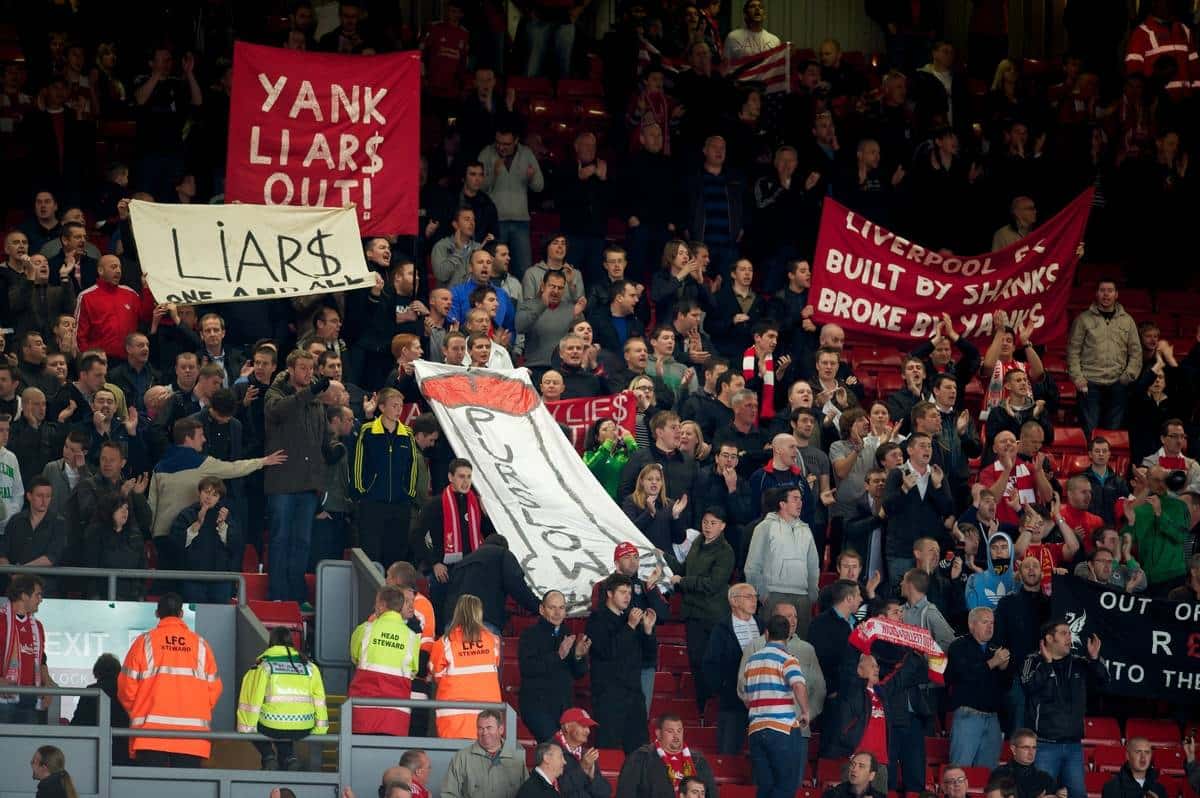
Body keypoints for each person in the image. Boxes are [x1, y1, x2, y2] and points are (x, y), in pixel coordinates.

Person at [264, 350, 342, 603]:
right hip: (283, 482)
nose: (308, 373)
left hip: (309, 484)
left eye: (311, 368)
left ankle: (296, 595)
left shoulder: (316, 403)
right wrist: (309, 392)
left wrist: (331, 450)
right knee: (280, 539)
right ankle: (277, 594)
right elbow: (277, 412)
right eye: (303, 368)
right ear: (290, 370)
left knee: (302, 542)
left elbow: (320, 438)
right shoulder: (276, 394)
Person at [118, 593, 222, 766]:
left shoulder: (144, 642)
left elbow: (125, 688)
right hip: (192, 739)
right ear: (181, 614)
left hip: (150, 737)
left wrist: (139, 710)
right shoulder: (201, 645)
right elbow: (214, 690)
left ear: (157, 613)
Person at [1021, 619, 1107, 798]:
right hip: (1045, 745)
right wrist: (1046, 663)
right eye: (1064, 633)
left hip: (1073, 746)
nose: (1069, 637)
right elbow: (1028, 686)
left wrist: (1094, 659)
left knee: (1078, 794)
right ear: (1049, 638)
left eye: (1070, 633)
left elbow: (1103, 682)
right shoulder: (1032, 660)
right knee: (1042, 794)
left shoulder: (1079, 663)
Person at [665, 506, 735, 714]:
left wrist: (684, 581)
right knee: (695, 660)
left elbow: (713, 584)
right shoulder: (697, 542)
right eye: (705, 522)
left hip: (712, 614)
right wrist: (664, 557)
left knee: (709, 661)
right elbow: (683, 569)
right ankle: (701, 704)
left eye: (713, 523)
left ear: (722, 526)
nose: (708, 527)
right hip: (692, 613)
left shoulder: (726, 552)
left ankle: (711, 704)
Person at [412, 458, 497, 614]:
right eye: (461, 476)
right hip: (444, 572)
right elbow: (416, 536)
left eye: (469, 477)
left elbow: (491, 537)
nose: (466, 481)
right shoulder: (435, 504)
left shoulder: (476, 504)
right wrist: (434, 563)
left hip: (471, 569)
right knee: (443, 615)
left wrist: (486, 516)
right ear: (451, 477)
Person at [237, 625, 328, 770]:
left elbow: (253, 700)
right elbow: (320, 700)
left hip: (272, 726)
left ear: (271, 642)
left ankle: (268, 756)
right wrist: (319, 730)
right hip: (303, 727)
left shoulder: (264, 666)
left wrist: (248, 728)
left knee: (269, 724)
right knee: (285, 726)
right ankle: (289, 757)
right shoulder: (310, 667)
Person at [741, 614, 811, 798]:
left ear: (766, 633)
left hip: (756, 730)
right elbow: (798, 684)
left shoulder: (752, 661)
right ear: (788, 636)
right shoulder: (788, 659)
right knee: (786, 787)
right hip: (782, 730)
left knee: (765, 787)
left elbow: (748, 697)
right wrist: (805, 711)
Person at [586, 573, 656, 753]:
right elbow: (608, 651)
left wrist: (647, 630)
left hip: (634, 696)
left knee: (640, 753)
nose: (627, 596)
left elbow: (649, 657)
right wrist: (630, 627)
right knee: (608, 752)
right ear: (609, 593)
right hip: (609, 698)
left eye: (630, 593)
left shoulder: (630, 620)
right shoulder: (596, 619)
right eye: (623, 592)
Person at [352, 387, 419, 568]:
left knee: (395, 557)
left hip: (400, 505)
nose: (398, 410)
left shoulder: (408, 434)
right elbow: (358, 463)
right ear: (381, 407)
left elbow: (413, 466)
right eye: (394, 405)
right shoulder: (367, 431)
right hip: (372, 504)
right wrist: (362, 491)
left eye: (400, 406)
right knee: (371, 556)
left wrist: (409, 492)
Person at [1066, 281, 1141, 436]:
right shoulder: (1083, 319)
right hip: (1089, 383)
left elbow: (1136, 352)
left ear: (1116, 294)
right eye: (1102, 290)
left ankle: (1110, 461)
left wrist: (1128, 376)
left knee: (1113, 433)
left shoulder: (1127, 320)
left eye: (1110, 290)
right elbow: (1073, 351)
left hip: (1117, 383)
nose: (1106, 294)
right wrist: (1078, 378)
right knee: (1090, 432)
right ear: (1096, 293)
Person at [744, 486, 821, 636]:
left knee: (800, 646)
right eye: (795, 499)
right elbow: (752, 565)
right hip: (774, 595)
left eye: (801, 499)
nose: (800, 503)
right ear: (782, 504)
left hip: (802, 598)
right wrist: (762, 594)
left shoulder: (806, 529)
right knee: (772, 641)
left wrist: (812, 594)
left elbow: (813, 566)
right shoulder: (764, 527)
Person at [882, 433, 954, 590]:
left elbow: (947, 509)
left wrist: (937, 487)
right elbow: (888, 508)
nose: (927, 449)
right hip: (901, 549)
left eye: (929, 446)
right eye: (922, 445)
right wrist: (904, 489)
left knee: (931, 594)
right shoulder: (897, 473)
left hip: (930, 551)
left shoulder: (937, 474)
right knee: (900, 594)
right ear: (910, 450)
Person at [348, 585, 421, 736]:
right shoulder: (412, 637)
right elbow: (413, 671)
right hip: (396, 714)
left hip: (364, 710)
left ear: (382, 605)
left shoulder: (364, 629)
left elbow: (354, 658)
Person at [519, 591, 591, 742]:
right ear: (541, 609)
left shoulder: (568, 634)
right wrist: (558, 656)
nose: (557, 613)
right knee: (555, 747)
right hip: (537, 707)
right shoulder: (529, 635)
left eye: (561, 608)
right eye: (552, 608)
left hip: (563, 710)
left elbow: (579, 674)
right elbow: (528, 668)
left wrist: (578, 656)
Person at [945, 607, 1012, 768]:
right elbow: (964, 675)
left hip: (993, 719)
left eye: (992, 623)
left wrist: (1004, 669)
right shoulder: (958, 646)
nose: (990, 627)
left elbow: (1006, 686)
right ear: (971, 625)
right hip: (968, 716)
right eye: (985, 622)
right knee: (960, 770)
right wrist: (993, 663)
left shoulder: (996, 649)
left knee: (988, 775)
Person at [430, 594, 502, 739]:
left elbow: (435, 673)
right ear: (479, 612)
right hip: (488, 718)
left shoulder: (444, 642)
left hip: (453, 717)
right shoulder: (493, 641)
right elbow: (494, 665)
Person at [702, 583, 762, 753]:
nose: (754, 600)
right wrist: (724, 689)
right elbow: (710, 664)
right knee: (729, 750)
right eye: (748, 596)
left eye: (755, 596)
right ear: (734, 601)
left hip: (761, 700)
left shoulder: (763, 625)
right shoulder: (721, 629)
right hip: (732, 701)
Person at [443, 534, 541, 635]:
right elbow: (517, 587)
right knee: (484, 651)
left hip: (453, 622)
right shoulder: (502, 554)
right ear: (505, 547)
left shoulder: (461, 562)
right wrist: (539, 607)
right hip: (484, 620)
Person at [168, 476, 240, 603]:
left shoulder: (225, 516)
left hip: (220, 581)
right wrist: (198, 524)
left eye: (214, 495)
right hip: (192, 580)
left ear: (219, 498)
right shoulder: (186, 514)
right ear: (199, 492)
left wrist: (223, 526)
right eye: (206, 492)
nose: (209, 497)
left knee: (219, 620)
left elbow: (235, 547)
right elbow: (175, 544)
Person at [615, 714, 718, 798]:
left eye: (679, 731)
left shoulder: (698, 760)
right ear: (658, 733)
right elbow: (625, 794)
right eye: (670, 731)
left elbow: (711, 794)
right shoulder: (640, 758)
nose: (676, 736)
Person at [441, 709, 528, 798]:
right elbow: (448, 794)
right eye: (480, 728)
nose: (484, 732)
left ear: (501, 729)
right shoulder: (462, 758)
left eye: (489, 727)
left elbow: (527, 794)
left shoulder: (517, 760)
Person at [0, 575, 51, 724]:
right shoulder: (2, 621)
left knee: (28, 746)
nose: (41, 599)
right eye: (38, 595)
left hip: (30, 697)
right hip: (4, 698)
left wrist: (47, 686)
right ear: (23, 596)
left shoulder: (37, 626)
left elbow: (42, 659)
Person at [70, 653, 133, 765]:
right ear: (119, 671)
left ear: (97, 672)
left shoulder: (91, 691)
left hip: (93, 752)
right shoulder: (127, 690)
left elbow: (77, 723)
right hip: (123, 751)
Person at [2, 476, 66, 570]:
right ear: (29, 496)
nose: (44, 500)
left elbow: (52, 557)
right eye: (39, 496)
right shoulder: (15, 521)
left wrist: (20, 571)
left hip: (44, 581)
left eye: (48, 496)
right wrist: (13, 574)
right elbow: (2, 554)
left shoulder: (59, 523)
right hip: (15, 582)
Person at [622, 463, 689, 553]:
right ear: (641, 481)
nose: (654, 482)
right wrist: (649, 513)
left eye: (658, 479)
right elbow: (630, 532)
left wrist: (676, 517)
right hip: (641, 556)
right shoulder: (631, 501)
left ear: (662, 483)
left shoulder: (670, 505)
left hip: (665, 559)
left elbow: (679, 540)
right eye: (650, 479)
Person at [551, 708, 610, 798]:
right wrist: (582, 768)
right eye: (583, 726)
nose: (588, 731)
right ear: (567, 727)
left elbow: (605, 793)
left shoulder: (586, 754)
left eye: (588, 727)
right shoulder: (548, 751)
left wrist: (592, 777)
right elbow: (558, 790)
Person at [989, 730, 1060, 798]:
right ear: (1013, 749)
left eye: (1034, 748)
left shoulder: (1045, 778)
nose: (1031, 753)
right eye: (1026, 748)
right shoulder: (999, 774)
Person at [584, 418, 638, 500]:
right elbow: (589, 471)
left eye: (614, 429)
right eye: (605, 430)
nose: (611, 432)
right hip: (599, 503)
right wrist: (608, 442)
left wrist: (630, 442)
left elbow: (640, 467)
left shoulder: (624, 454)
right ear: (597, 437)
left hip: (623, 506)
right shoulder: (589, 454)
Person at [1099, 737, 1168, 798]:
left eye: (1147, 752)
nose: (1143, 757)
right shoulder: (1111, 787)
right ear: (1127, 756)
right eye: (1138, 752)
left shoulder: (1160, 789)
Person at [821, 751, 886, 798]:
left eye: (861, 766)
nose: (854, 769)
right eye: (853, 764)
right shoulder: (835, 794)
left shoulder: (879, 796)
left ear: (871, 775)